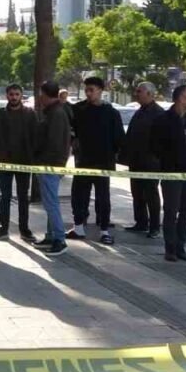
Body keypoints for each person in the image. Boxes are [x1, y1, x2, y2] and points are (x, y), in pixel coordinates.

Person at [152, 84, 186, 262]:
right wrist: (168, 160)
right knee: (170, 211)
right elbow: (155, 146)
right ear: (180, 98)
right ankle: (170, 247)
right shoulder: (163, 119)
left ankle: (180, 246)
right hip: (172, 173)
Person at [68, 76, 125, 245]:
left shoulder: (111, 113)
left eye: (91, 90)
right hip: (83, 161)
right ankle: (78, 227)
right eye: (86, 90)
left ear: (100, 91)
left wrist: (115, 155)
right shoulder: (78, 110)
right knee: (79, 195)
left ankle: (104, 230)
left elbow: (119, 138)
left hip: (103, 162)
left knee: (103, 197)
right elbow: (71, 132)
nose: (88, 93)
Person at [0, 83, 39, 241]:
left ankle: (24, 230)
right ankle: (3, 229)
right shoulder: (0, 114)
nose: (14, 97)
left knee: (23, 197)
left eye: (17, 94)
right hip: (4, 161)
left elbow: (36, 135)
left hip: (24, 161)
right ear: (7, 96)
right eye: (11, 94)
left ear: (21, 95)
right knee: (5, 196)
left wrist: (32, 154)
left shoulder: (30, 114)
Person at [33, 81, 72, 256]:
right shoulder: (54, 112)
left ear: (45, 94)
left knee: (51, 203)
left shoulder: (56, 114)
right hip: (49, 164)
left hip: (50, 165)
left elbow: (54, 143)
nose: (39, 98)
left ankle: (59, 239)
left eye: (41, 94)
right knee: (49, 202)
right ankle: (51, 236)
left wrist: (43, 160)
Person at [121, 82, 162, 238]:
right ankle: (141, 222)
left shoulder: (158, 113)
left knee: (151, 194)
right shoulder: (139, 112)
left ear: (149, 94)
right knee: (137, 192)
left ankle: (154, 226)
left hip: (151, 162)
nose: (136, 94)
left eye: (139, 91)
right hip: (136, 160)